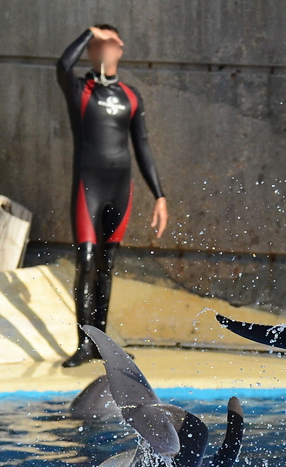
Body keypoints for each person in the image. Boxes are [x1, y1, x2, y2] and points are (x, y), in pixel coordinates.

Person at [56, 24, 168, 366]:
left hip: (121, 189)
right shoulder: (80, 90)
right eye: (97, 44)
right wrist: (88, 33)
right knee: (86, 262)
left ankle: (103, 344)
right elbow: (62, 66)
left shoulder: (131, 96)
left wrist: (160, 196)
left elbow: (143, 147)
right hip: (87, 188)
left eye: (110, 43)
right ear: (89, 50)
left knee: (107, 266)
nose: (104, 49)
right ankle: (84, 343)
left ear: (121, 49)